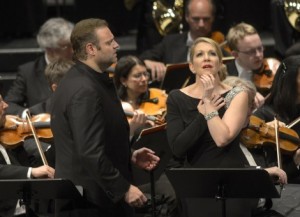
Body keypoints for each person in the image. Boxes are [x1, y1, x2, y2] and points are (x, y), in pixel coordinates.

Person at [50, 18, 160, 217]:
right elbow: (90, 152)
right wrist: (123, 188)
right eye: (109, 42)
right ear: (91, 49)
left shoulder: (84, 81)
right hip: (91, 204)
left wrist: (128, 153)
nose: (117, 45)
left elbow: (95, 140)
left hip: (94, 200)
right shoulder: (84, 90)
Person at [166, 37, 286, 217]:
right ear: (191, 65)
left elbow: (222, 138)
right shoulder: (176, 98)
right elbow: (178, 148)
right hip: (197, 184)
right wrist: (202, 115)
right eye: (200, 54)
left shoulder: (237, 94)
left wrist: (207, 103)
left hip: (233, 181)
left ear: (220, 63)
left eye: (212, 54)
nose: (206, 58)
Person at [113, 55, 178, 217]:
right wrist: (132, 127)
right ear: (123, 80)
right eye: (137, 76)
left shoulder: (158, 95)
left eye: (145, 74)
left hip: (161, 161)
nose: (144, 79)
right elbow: (115, 146)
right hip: (132, 166)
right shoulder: (114, 106)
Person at [139, 0, 228, 83]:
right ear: (186, 17)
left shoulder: (219, 45)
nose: (201, 24)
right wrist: (147, 62)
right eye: (196, 19)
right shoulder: (170, 42)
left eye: (206, 19)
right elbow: (141, 58)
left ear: (213, 18)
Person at [4, 17, 74, 115]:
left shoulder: (82, 66)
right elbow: (8, 105)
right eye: (67, 46)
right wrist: (29, 115)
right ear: (50, 49)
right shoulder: (28, 72)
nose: (73, 50)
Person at [0, 95, 55, 217]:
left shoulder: (9, 140)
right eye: (0, 102)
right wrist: (31, 172)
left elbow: (26, 164)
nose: (6, 105)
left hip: (25, 210)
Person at [252, 55, 300, 184]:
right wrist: (296, 163)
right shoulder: (263, 117)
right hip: (285, 192)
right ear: (290, 81)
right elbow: (268, 176)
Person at [225, 22, 279, 108]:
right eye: (251, 51)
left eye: (260, 48)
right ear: (235, 54)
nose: (258, 55)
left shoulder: (273, 68)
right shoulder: (225, 75)